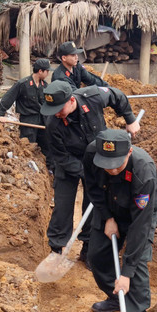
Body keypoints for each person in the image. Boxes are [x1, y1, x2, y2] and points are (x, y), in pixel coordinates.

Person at [42, 80, 139, 263]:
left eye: (59, 109)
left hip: (97, 158)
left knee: (94, 204)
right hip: (68, 162)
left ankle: (88, 248)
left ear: (71, 101)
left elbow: (116, 95)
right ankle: (56, 249)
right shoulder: (52, 123)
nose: (55, 113)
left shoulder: (93, 97)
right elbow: (61, 157)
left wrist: (130, 119)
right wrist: (84, 171)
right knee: (62, 205)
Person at [84, 129, 157, 312]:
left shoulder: (143, 171)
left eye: (117, 164)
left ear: (129, 152)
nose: (112, 169)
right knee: (96, 257)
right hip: (108, 205)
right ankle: (116, 297)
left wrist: (126, 273)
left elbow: (140, 227)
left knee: (137, 266)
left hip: (138, 213)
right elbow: (92, 188)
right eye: (107, 165)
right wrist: (107, 217)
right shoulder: (91, 154)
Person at [0, 58, 52, 169]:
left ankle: (49, 169)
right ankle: (29, 168)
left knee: (46, 145)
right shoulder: (23, 84)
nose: (48, 73)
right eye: (47, 71)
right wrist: (0, 114)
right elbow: (8, 98)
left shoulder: (45, 86)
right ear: (40, 71)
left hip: (43, 119)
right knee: (28, 145)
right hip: (28, 120)